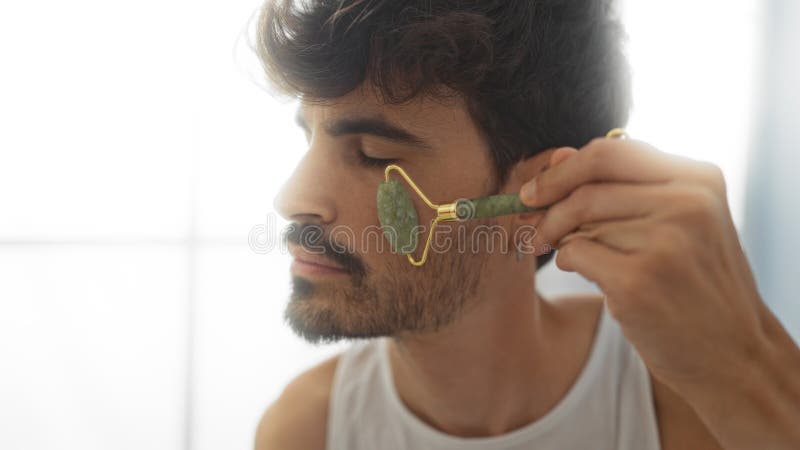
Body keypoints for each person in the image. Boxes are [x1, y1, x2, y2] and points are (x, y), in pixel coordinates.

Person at [252, 1, 800, 449]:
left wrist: (748, 367)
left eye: (372, 155)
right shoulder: (309, 430)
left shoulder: (687, 404)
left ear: (537, 194)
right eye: (310, 138)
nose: (293, 199)